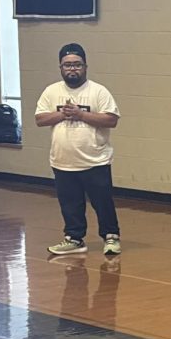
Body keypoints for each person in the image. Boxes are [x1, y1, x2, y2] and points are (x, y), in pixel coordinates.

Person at [34, 43, 122, 256]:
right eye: (67, 65)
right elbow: (40, 119)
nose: (72, 69)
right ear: (60, 68)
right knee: (70, 204)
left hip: (95, 160)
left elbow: (111, 119)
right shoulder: (51, 91)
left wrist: (80, 114)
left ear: (85, 66)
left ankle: (111, 237)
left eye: (77, 65)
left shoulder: (98, 91)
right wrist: (63, 114)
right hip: (63, 161)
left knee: (102, 202)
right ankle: (74, 238)